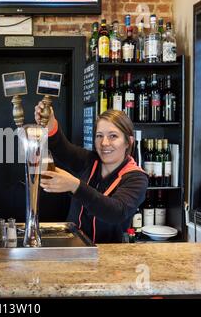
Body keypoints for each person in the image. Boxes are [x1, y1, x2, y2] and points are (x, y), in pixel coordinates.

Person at [35, 104, 148, 243]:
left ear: (128, 142)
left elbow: (116, 212)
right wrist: (50, 123)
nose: (104, 143)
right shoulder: (90, 160)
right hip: (73, 246)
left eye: (113, 136)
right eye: (99, 136)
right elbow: (63, 149)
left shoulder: (136, 177)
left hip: (108, 255)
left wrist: (75, 186)